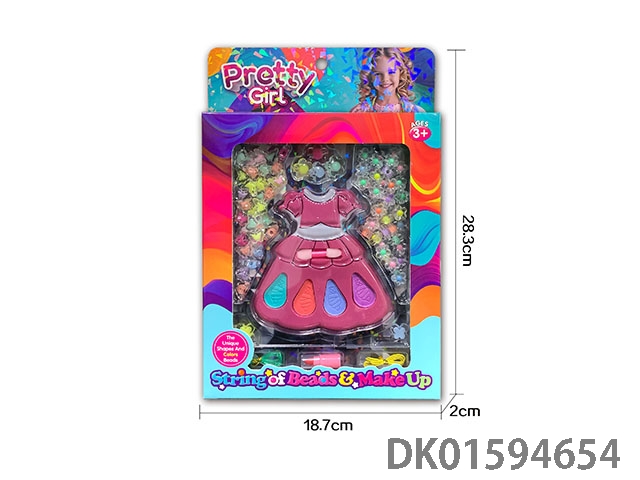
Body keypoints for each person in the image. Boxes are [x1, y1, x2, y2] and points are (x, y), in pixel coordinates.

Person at [351, 48, 425, 113]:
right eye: (378, 74)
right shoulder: (360, 112)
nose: (385, 79)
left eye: (391, 72)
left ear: (401, 73)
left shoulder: (415, 112)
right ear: (370, 77)